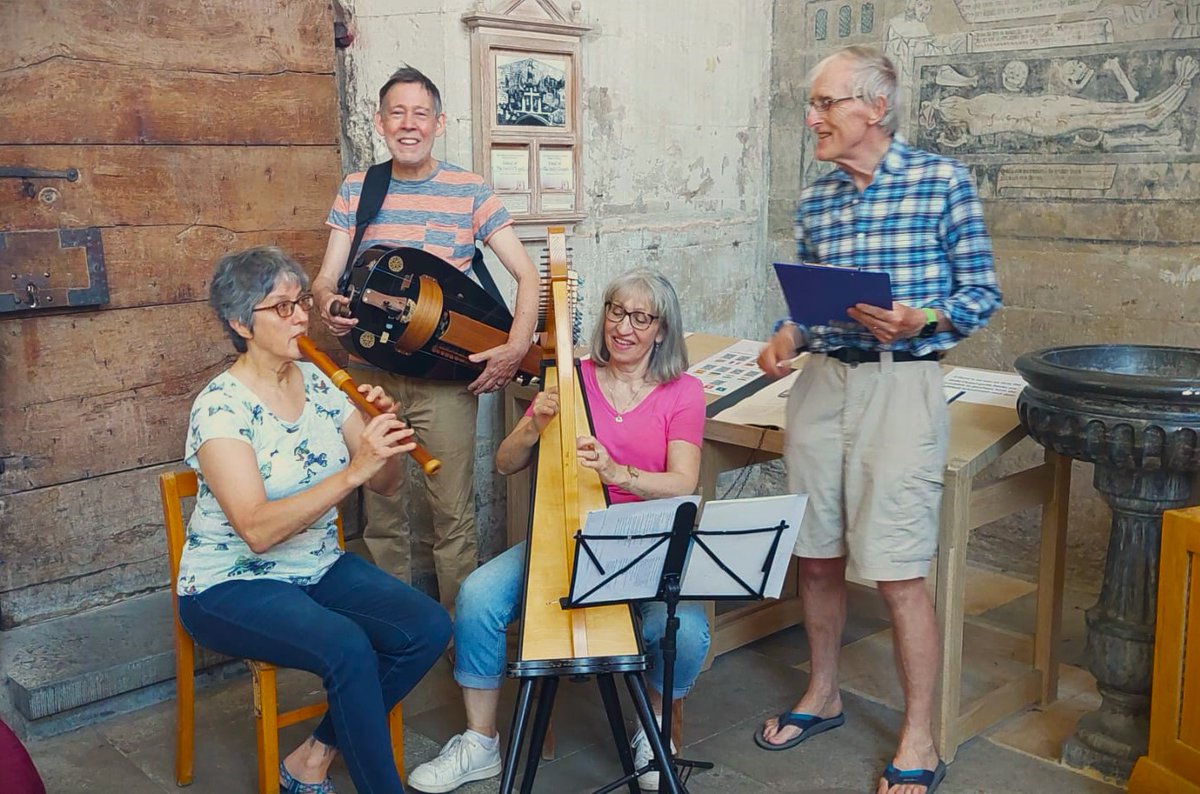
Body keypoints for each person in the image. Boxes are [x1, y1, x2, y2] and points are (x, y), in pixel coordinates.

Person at [755, 46, 1001, 794]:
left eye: (826, 103)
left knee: (896, 572)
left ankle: (919, 733)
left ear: (874, 108)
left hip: (903, 388)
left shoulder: (941, 184)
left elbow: (982, 294)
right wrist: (787, 336)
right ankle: (823, 692)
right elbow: (808, 309)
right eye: (814, 103)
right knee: (819, 556)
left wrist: (919, 317)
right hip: (822, 386)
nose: (813, 118)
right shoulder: (816, 200)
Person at [406, 269, 709, 793]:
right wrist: (533, 424)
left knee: (685, 634)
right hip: (567, 531)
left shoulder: (682, 392)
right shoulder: (571, 377)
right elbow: (504, 464)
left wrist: (619, 475)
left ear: (662, 330)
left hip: (643, 537)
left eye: (641, 318)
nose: (625, 327)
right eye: (617, 311)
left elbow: (684, 481)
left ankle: (652, 733)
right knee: (478, 596)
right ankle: (480, 742)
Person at [177, 246, 451, 794]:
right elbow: (255, 530)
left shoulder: (323, 382)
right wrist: (352, 472)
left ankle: (313, 757)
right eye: (281, 308)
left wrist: (382, 444)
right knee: (347, 645)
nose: (301, 317)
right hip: (229, 583)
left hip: (316, 565)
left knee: (429, 627)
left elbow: (385, 485)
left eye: (300, 302)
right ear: (239, 322)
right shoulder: (220, 407)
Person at [312, 65, 541, 609]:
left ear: (439, 123)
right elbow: (325, 279)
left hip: (444, 378)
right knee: (381, 506)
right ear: (379, 121)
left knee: (451, 513)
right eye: (397, 112)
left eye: (420, 114)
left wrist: (515, 347)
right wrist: (328, 305)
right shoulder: (357, 189)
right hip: (370, 380)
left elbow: (528, 275)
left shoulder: (469, 191)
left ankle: (462, 637)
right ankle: (401, 627)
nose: (408, 124)